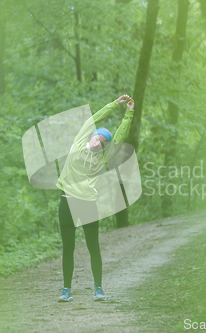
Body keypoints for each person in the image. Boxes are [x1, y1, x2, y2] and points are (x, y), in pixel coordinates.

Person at [57, 94, 134, 302]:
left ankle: (99, 289)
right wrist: (113, 105)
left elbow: (119, 137)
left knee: (93, 246)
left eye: (102, 142)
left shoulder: (103, 157)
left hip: (88, 204)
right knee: (68, 247)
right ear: (91, 136)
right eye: (97, 138)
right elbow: (93, 120)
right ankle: (66, 290)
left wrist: (129, 113)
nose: (98, 143)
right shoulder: (79, 142)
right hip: (67, 202)